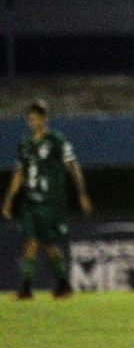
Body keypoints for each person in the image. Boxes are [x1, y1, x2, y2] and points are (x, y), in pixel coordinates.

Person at [3, 100, 91, 299]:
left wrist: (82, 193)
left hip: (51, 202)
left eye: (36, 118)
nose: (32, 122)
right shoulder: (25, 143)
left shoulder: (56, 140)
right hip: (30, 202)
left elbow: (72, 166)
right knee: (30, 242)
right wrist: (9, 199)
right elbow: (19, 173)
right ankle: (26, 289)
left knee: (49, 244)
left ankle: (63, 285)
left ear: (44, 119)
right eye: (30, 118)